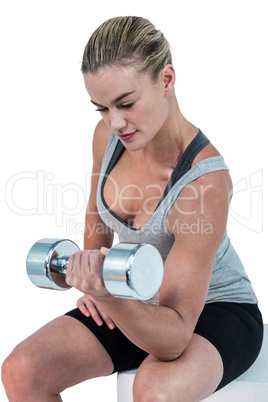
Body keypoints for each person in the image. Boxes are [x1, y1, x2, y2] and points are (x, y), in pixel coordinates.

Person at [2, 16, 263, 402]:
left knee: (154, 389)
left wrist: (107, 294)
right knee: (23, 371)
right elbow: (96, 213)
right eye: (102, 108)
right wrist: (91, 268)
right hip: (135, 295)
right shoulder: (107, 136)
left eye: (126, 103)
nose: (116, 122)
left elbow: (173, 338)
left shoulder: (204, 183)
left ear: (167, 80)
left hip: (216, 310)